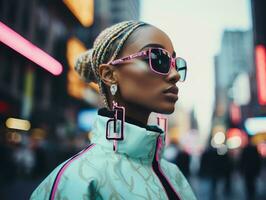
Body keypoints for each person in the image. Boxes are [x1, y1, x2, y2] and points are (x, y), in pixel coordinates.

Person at [30, 20, 196, 200]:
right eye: (158, 58)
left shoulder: (174, 174)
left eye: (175, 63)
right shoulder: (76, 179)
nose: (175, 75)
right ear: (109, 75)